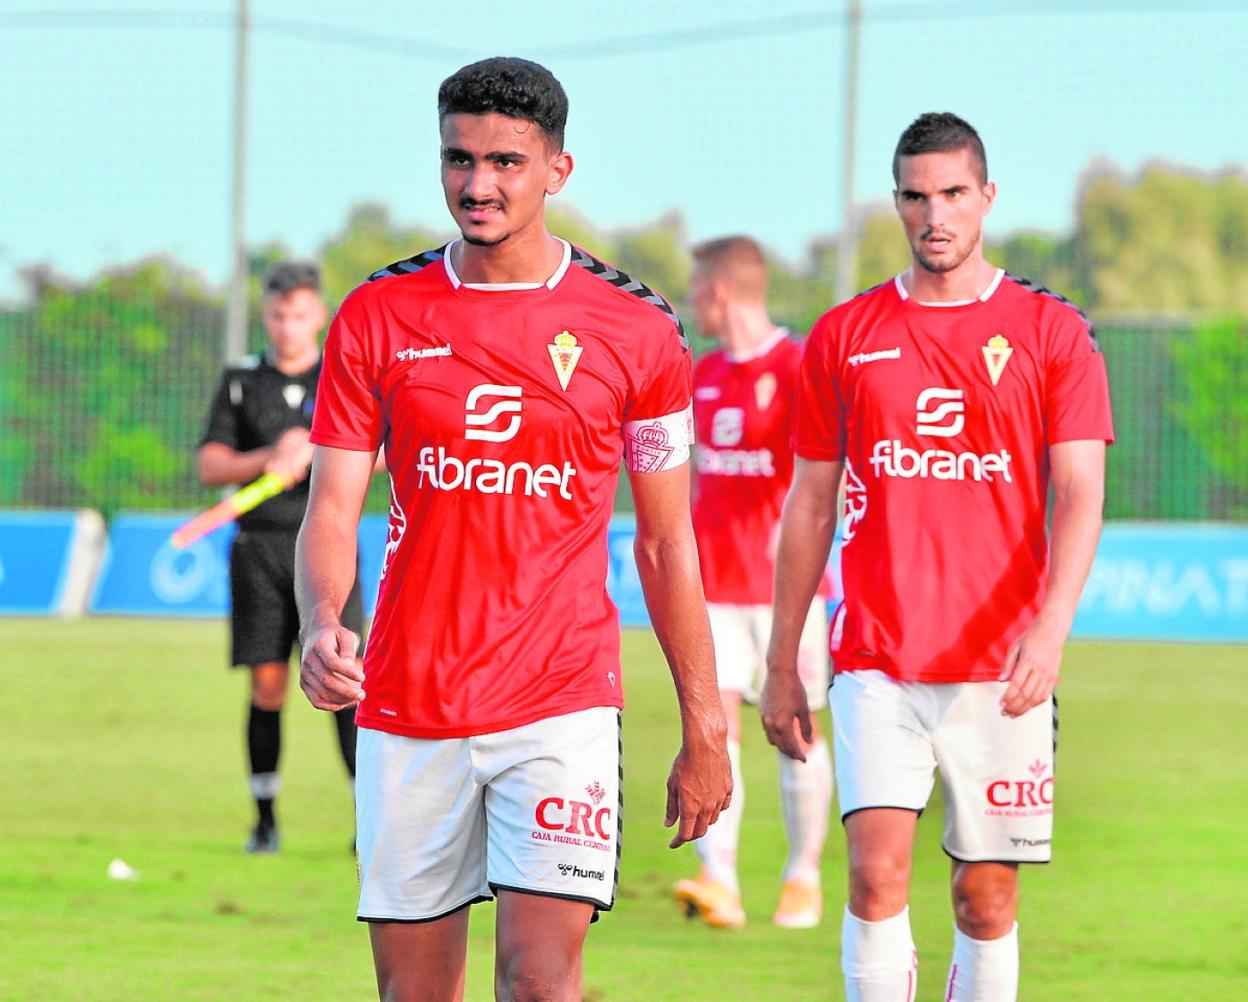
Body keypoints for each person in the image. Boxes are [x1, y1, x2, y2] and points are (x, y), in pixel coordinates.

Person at [294, 57, 731, 1002]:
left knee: (538, 981)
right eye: (458, 159)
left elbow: (664, 544)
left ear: (557, 171)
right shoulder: (377, 313)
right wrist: (323, 618)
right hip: (407, 702)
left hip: (560, 700)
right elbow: (332, 507)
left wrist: (706, 728)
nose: (478, 183)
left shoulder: (640, 330)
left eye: (505, 161)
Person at [761, 112, 1114, 1001]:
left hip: (1004, 669)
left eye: (953, 194)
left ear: (986, 197)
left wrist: (1050, 630)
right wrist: (780, 660)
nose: (935, 216)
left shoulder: (1050, 332)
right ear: (897, 204)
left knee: (985, 899)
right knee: (876, 874)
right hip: (877, 655)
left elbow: (1079, 494)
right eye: (916, 197)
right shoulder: (844, 335)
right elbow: (809, 504)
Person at [673, 236, 835, 930]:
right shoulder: (700, 374)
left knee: (793, 727)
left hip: (784, 592)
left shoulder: (799, 367)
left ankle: (803, 877)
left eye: (695, 289)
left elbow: (824, 478)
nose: (690, 301)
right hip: (711, 588)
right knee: (719, 728)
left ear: (719, 293)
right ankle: (722, 881)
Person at [198, 261, 366, 854]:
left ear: (318, 314)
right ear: (265, 314)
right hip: (259, 549)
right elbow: (211, 465)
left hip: (328, 547)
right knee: (267, 685)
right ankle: (265, 820)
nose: (288, 327)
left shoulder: (343, 375)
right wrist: (271, 455)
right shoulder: (242, 381)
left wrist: (320, 452)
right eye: (277, 315)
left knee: (345, 677)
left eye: (299, 315)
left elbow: (384, 456)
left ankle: (366, 819)